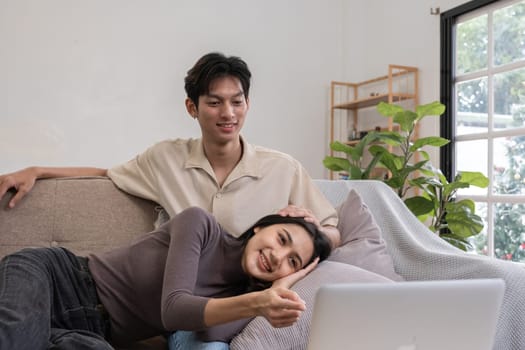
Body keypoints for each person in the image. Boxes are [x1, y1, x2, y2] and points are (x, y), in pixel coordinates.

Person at [0, 52, 340, 348]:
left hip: (96, 330)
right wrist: (38, 170)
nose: (229, 112)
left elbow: (334, 231)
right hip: (59, 278)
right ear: (192, 107)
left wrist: (286, 279)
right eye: (214, 101)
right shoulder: (180, 188)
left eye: (237, 102)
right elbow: (109, 174)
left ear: (248, 104)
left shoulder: (282, 172)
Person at [0, 206, 332, 349]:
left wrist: (276, 290)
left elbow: (210, 330)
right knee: (15, 339)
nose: (276, 255)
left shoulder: (237, 300)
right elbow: (174, 310)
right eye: (281, 238)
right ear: (262, 225)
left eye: (292, 261)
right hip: (56, 277)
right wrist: (260, 301)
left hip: (89, 330)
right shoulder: (200, 224)